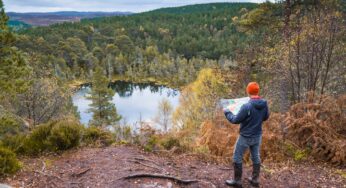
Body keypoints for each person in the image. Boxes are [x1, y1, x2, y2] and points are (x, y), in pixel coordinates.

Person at [223, 82, 269, 187]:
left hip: (245, 137)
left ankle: (237, 181)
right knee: (256, 157)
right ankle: (255, 180)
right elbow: (266, 117)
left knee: (237, 157)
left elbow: (235, 120)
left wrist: (227, 112)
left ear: (248, 91)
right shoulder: (264, 104)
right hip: (257, 135)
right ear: (258, 91)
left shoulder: (246, 106)